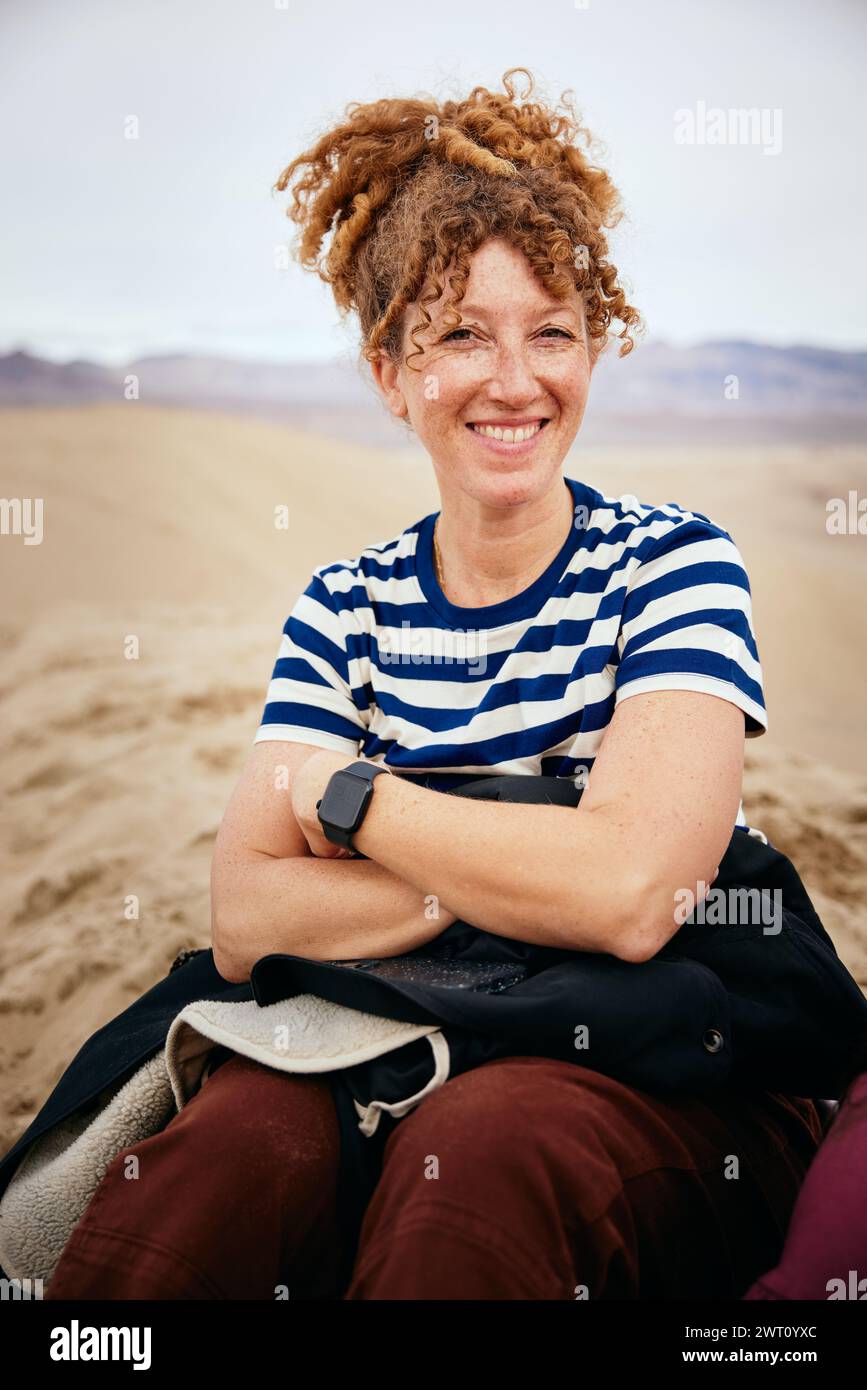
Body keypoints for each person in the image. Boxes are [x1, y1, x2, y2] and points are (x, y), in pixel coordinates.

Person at [46, 67, 826, 1302]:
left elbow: (635, 894)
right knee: (226, 1159)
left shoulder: (674, 563)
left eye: (553, 330)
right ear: (387, 370)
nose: (514, 381)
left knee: (479, 1157)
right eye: (461, 331)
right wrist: (529, 870)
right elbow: (248, 915)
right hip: (388, 1040)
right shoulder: (342, 606)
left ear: (593, 348)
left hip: (665, 1077)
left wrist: (356, 805)